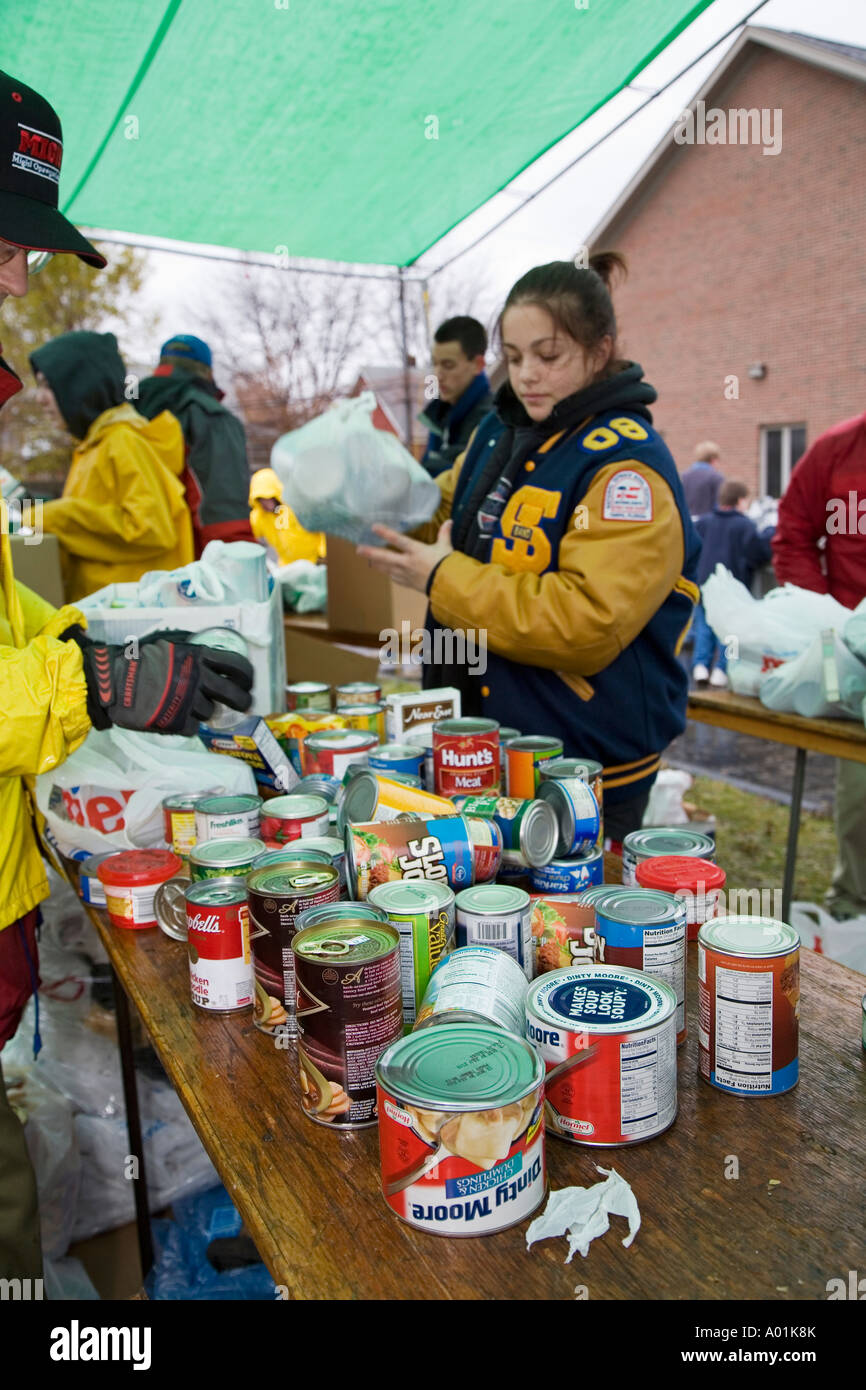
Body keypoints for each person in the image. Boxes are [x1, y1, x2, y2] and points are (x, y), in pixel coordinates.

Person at [0, 70, 253, 1282]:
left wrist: (94, 653)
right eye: (3, 238)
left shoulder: (119, 441)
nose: (15, 272)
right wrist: (94, 682)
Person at [360, 256, 701, 843]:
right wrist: (365, 489)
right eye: (514, 358)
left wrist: (442, 577)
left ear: (600, 350)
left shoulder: (625, 468)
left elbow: (586, 621)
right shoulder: (501, 430)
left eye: (548, 357)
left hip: (583, 760)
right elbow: (443, 507)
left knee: (571, 919)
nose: (527, 377)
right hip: (482, 742)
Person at [772, 412, 866, 920]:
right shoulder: (836, 451)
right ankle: (854, 913)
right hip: (859, 662)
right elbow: (794, 535)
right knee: (863, 800)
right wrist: (833, 625)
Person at [31, 330, 194, 602]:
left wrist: (57, 517)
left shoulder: (122, 442)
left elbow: (151, 529)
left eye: (48, 385)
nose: (39, 398)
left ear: (80, 386)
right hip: (105, 614)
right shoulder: (92, 446)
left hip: (128, 622)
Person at [137, 334, 254, 554]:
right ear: (208, 372)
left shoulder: (124, 414)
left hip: (130, 572)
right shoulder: (210, 417)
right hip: (191, 572)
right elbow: (224, 516)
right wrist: (244, 568)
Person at [692, 479, 775, 688]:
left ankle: (700, 666)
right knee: (731, 632)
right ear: (740, 500)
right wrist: (770, 532)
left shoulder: (704, 522)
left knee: (704, 627)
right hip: (732, 587)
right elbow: (759, 552)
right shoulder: (744, 525)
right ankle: (723, 668)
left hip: (704, 584)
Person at [419, 316, 493, 477]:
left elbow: (454, 476)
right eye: (435, 364)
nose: (438, 375)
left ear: (478, 365)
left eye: (448, 365)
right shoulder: (439, 414)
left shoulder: (489, 422)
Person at [249, 467, 326, 567]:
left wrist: (323, 553)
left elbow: (323, 526)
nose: (265, 503)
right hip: (286, 566)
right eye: (260, 499)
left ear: (275, 494)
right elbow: (246, 532)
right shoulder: (260, 517)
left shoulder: (298, 506)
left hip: (313, 562)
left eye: (267, 498)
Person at [681, 441, 723, 519]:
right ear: (713, 460)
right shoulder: (716, 477)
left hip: (688, 522)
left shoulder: (684, 476)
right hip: (707, 524)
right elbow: (720, 505)